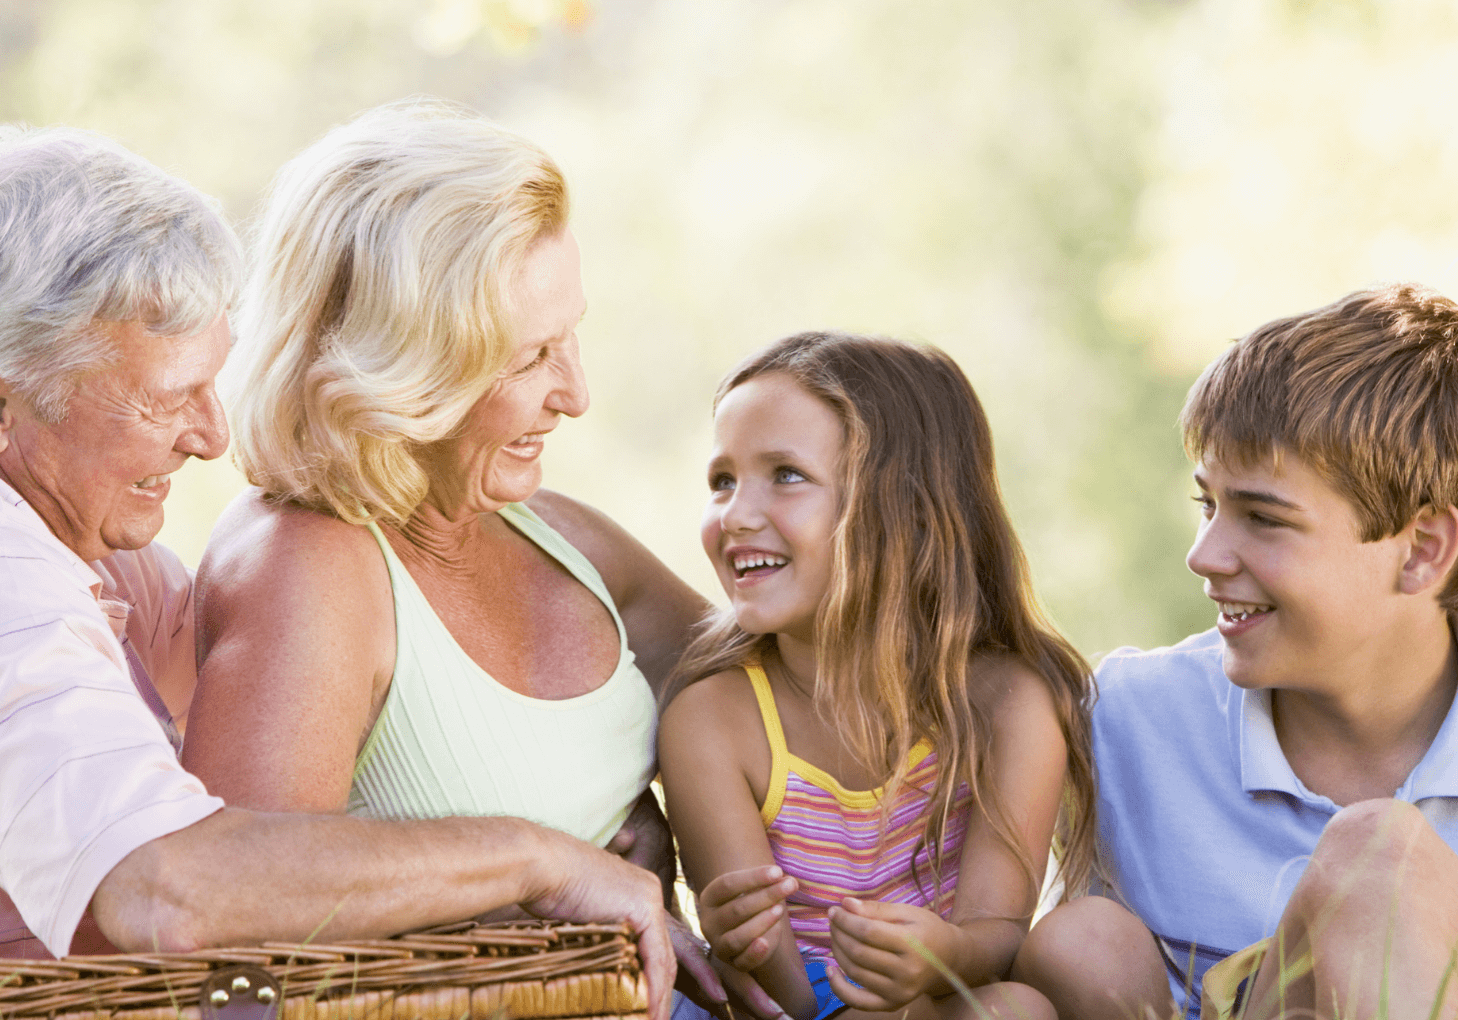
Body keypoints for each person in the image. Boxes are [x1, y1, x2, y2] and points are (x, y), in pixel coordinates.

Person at [0, 121, 681, 1020]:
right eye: (168, 396)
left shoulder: (111, 576)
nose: (213, 438)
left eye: (214, 386)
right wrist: (542, 858)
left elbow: (255, 851)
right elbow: (178, 899)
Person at [178, 101, 744, 1019]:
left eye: (572, 337)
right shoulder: (310, 564)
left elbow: (789, 698)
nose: (577, 393)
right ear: (406, 369)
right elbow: (223, 917)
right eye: (529, 358)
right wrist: (542, 865)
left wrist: (662, 818)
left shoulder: (559, 534)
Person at [1011, 285, 1458, 1020]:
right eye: (1208, 507)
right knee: (1077, 937)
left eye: (1263, 518)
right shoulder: (1123, 721)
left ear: (1421, 551)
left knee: (1380, 858)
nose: (1204, 555)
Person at [657, 332, 1099, 1020]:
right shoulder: (714, 718)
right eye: (723, 480)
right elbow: (781, 1001)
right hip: (797, 1008)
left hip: (947, 995)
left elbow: (1002, 933)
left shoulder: (1008, 704)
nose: (736, 515)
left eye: (786, 475)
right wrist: (741, 944)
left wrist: (945, 954)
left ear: (910, 511)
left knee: (1038, 989)